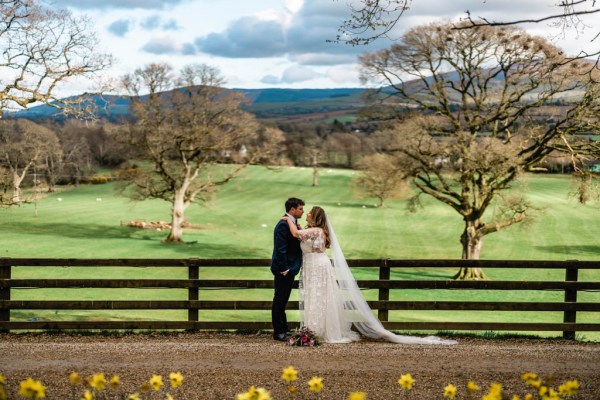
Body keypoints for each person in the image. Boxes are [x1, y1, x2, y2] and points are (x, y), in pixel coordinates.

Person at [281, 206, 457, 345]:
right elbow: (301, 234)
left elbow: (296, 234)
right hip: (312, 267)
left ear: (316, 217)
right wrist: (295, 224)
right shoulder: (314, 231)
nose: (307, 215)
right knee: (316, 297)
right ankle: (313, 329)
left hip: (318, 267)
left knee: (321, 297)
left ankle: (318, 330)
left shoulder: (317, 231)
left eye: (309, 213)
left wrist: (287, 219)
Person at [270, 197, 304, 341]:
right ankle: (279, 332)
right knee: (279, 299)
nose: (302, 211)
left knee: (283, 300)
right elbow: (281, 248)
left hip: (290, 268)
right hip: (284, 269)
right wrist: (285, 268)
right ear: (292, 209)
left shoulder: (292, 223)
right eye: (300, 208)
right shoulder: (284, 225)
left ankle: (283, 328)